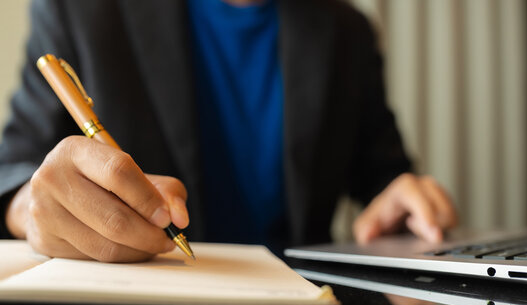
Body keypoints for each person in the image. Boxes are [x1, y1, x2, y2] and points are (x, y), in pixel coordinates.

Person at [0, 0, 457, 262]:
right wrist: (30, 206)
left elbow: (382, 173)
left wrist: (401, 193)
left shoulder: (347, 30)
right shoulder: (79, 10)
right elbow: (15, 168)